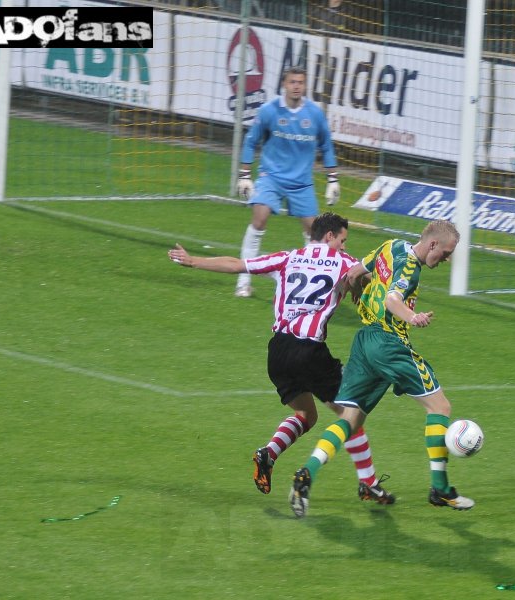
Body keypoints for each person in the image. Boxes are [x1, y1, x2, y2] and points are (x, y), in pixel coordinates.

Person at [168, 212, 394, 505]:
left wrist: (193, 260)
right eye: (342, 240)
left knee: (307, 415)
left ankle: (268, 454)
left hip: (278, 352)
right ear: (329, 237)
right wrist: (361, 287)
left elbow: (238, 265)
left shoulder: (288, 258)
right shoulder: (345, 263)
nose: (343, 246)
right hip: (309, 350)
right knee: (351, 415)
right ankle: (368, 484)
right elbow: (368, 279)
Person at [289, 220, 473, 518]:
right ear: (433, 245)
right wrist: (412, 318)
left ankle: (306, 472)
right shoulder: (411, 268)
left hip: (364, 343)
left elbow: (354, 273)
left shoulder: (391, 246)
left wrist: (356, 294)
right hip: (389, 345)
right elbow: (391, 299)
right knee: (440, 406)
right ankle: (440, 489)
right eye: (447, 252)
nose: (447, 259)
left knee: (350, 419)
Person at [234, 66, 341, 298]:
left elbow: (327, 146)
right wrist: (244, 174)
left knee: (316, 233)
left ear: (305, 86)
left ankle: (311, 284)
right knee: (259, 218)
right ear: (284, 84)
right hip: (270, 177)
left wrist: (333, 180)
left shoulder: (314, 114)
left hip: (302, 182)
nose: (296, 86)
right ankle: (243, 281)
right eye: (292, 82)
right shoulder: (269, 111)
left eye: (300, 82)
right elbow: (251, 141)